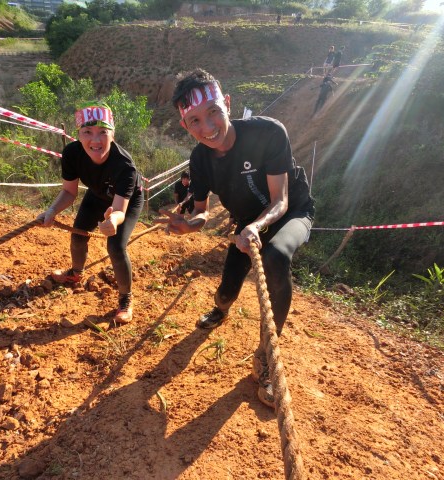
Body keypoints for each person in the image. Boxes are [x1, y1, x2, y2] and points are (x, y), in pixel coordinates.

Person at [156, 69, 314, 408]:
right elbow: (202, 211)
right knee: (226, 292)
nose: (207, 127)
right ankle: (220, 310)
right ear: (185, 126)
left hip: (291, 213)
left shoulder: (268, 132)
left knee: (275, 258)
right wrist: (189, 225)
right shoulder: (200, 159)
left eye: (213, 111)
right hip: (245, 223)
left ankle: (267, 356)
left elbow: (280, 201)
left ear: (227, 103)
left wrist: (255, 227)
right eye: (195, 120)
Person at [38, 102, 144, 325]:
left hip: (127, 202)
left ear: (113, 134)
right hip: (97, 194)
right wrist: (52, 210)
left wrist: (112, 220)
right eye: (87, 132)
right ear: (78, 134)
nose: (95, 140)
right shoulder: (72, 153)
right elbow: (69, 191)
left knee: (115, 246)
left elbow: (119, 210)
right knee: (78, 235)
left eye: (103, 132)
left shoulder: (125, 166)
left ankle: (125, 298)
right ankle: (75, 273)